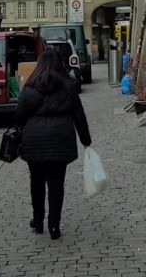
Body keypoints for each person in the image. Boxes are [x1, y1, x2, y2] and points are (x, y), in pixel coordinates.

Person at [16, 48, 91, 240]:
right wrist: (86, 140)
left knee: (37, 181)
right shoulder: (68, 86)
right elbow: (79, 115)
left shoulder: (30, 87)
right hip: (59, 140)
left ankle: (38, 220)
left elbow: (19, 116)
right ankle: (54, 225)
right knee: (57, 183)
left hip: (34, 141)